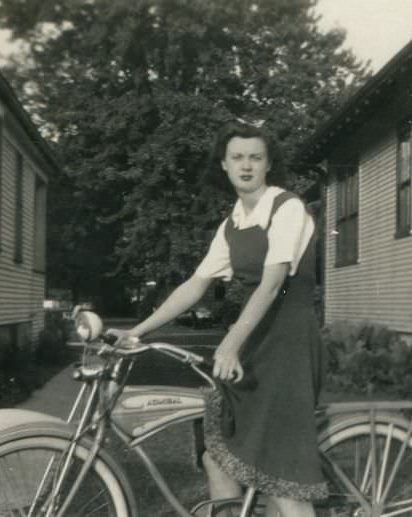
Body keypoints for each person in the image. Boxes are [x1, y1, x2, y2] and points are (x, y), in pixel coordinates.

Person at [109, 121, 327, 516]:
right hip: (253, 342)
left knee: (279, 477)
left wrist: (231, 342)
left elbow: (274, 281)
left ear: (268, 164)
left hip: (288, 344)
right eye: (237, 157)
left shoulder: (287, 207)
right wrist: (136, 331)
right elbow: (195, 285)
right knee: (218, 456)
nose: (246, 165)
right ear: (224, 165)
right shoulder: (233, 224)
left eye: (255, 158)